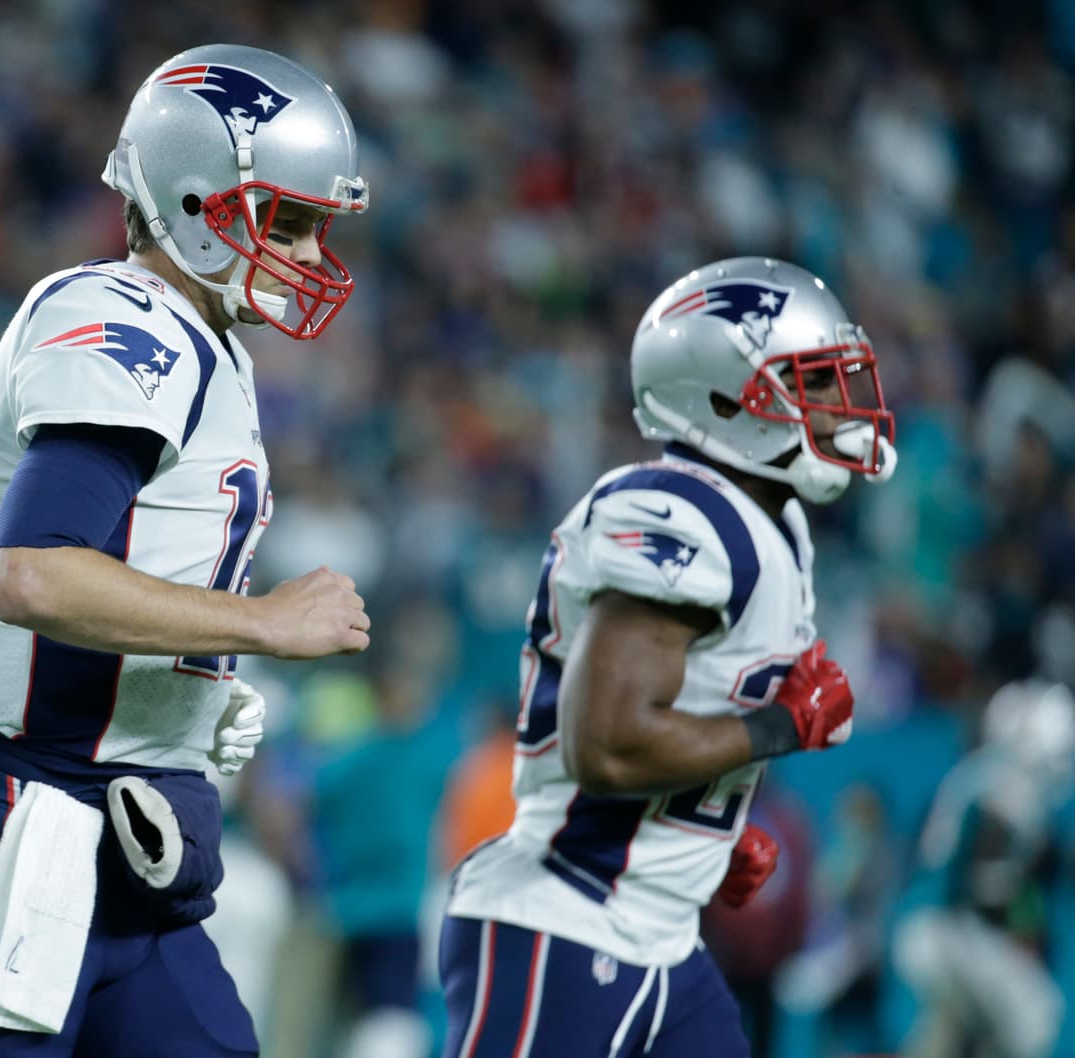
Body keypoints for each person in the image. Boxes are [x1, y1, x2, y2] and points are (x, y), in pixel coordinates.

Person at [0, 43, 371, 1058]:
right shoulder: (126, 319)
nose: (312, 254)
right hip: (21, 835)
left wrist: (173, 674)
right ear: (196, 201)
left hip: (123, 847)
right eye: (287, 220)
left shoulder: (202, 340)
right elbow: (27, 571)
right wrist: (257, 624)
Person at [438, 256, 899, 1057]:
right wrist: (777, 728)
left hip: (658, 935)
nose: (838, 407)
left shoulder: (772, 527)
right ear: (725, 400)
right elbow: (607, 746)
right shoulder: (680, 515)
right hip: (566, 920)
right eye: (812, 383)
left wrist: (701, 845)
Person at [893, 677, 1073, 1058]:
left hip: (931, 930)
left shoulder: (975, 776)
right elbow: (992, 889)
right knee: (1035, 1016)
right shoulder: (1004, 792)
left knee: (962, 1029)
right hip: (949, 931)